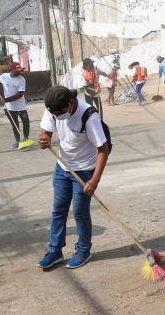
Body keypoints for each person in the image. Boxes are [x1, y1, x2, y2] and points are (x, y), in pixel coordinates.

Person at [36, 86, 110, 269]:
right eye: (54, 113)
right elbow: (45, 133)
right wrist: (43, 140)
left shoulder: (89, 117)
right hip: (63, 167)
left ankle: (83, 250)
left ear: (71, 102)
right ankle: (55, 251)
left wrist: (94, 180)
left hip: (84, 171)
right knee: (58, 210)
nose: (58, 116)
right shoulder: (53, 109)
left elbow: (103, 150)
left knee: (79, 212)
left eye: (60, 112)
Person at [0, 63, 31, 150]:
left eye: (19, 70)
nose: (19, 72)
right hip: (9, 107)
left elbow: (20, 94)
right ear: (11, 70)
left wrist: (6, 99)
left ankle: (26, 138)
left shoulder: (21, 79)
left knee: (26, 122)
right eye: (17, 71)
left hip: (21, 106)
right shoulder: (4, 76)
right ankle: (17, 141)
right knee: (14, 124)